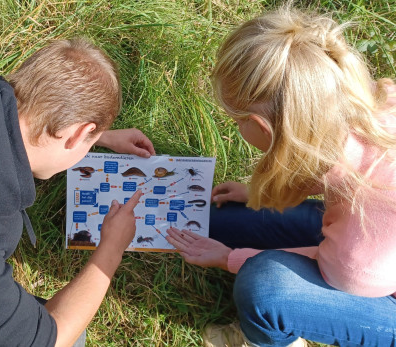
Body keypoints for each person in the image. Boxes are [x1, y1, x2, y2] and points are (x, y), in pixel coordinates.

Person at [166, 6, 396, 347]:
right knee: (220, 218)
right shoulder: (367, 107)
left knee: (264, 284)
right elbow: (335, 166)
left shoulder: (359, 252)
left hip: (377, 285)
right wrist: (258, 194)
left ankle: (277, 336)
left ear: (262, 128)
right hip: (368, 246)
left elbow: (344, 271)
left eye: (236, 121)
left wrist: (231, 258)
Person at [0, 38, 155, 346]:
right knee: (75, 334)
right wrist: (111, 247)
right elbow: (48, 339)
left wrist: (100, 137)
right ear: (76, 134)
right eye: (88, 139)